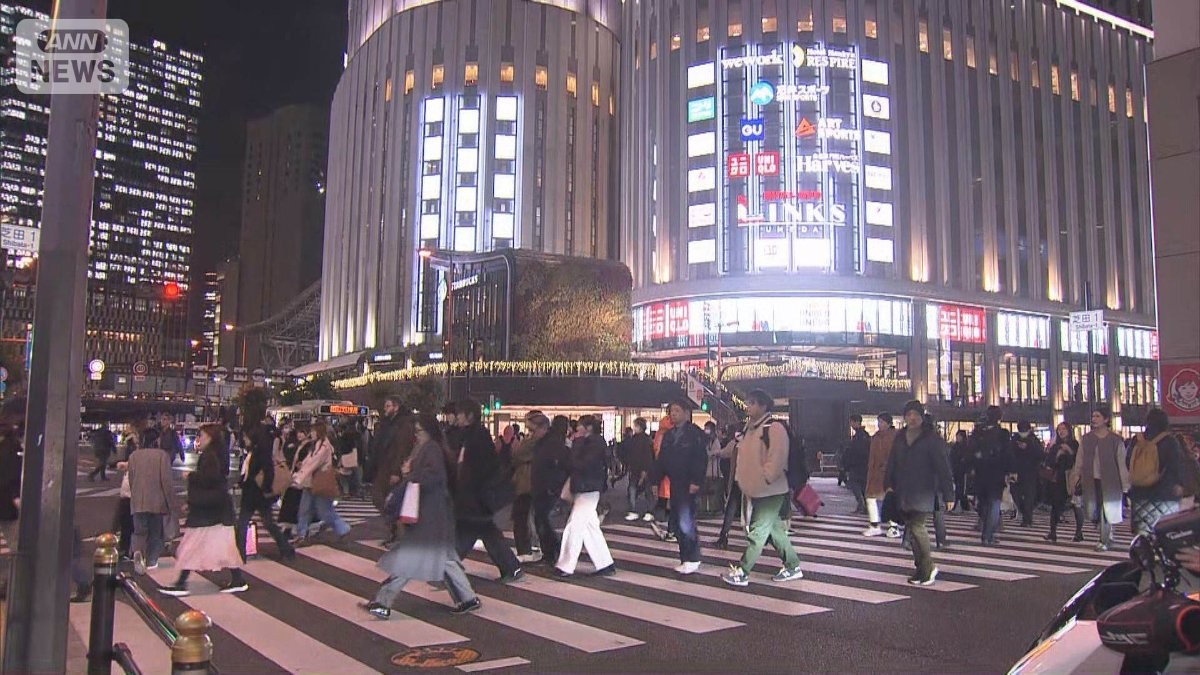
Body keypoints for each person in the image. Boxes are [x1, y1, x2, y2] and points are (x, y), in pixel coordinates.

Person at [363, 414, 481, 619]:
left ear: (428, 431)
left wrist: (410, 475)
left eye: (419, 431)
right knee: (445, 559)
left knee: (411, 558)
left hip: (429, 514)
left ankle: (382, 602)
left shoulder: (431, 449)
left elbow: (433, 477)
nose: (416, 435)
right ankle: (468, 598)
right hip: (434, 513)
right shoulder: (431, 448)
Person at [721, 389, 803, 588]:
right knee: (774, 531)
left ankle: (743, 571)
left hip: (771, 490)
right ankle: (793, 566)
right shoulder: (750, 429)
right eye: (748, 403)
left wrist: (765, 478)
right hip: (757, 488)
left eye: (752, 403)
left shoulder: (773, 428)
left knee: (757, 531)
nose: (748, 407)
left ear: (764, 406)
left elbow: (777, 458)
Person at [159, 425, 248, 595]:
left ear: (210, 437)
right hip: (215, 510)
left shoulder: (210, 456)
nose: (200, 438)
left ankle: (181, 584)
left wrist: (190, 476)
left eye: (202, 434)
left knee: (193, 546)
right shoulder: (215, 454)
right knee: (220, 547)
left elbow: (210, 480)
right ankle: (237, 579)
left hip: (209, 511)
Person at [451, 400, 522, 582]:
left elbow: (483, 468)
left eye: (459, 414)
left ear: (469, 416)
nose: (456, 417)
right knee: (483, 532)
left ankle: (448, 569)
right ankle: (511, 567)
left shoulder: (478, 436)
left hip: (476, 495)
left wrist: (472, 491)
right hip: (473, 496)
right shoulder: (467, 435)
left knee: (469, 532)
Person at [885, 400, 955, 586]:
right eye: (909, 415)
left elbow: (943, 467)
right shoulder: (900, 437)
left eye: (915, 414)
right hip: (903, 489)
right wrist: (889, 483)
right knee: (911, 529)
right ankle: (921, 567)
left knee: (916, 526)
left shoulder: (931, 438)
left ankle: (928, 567)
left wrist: (949, 494)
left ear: (922, 417)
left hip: (924, 489)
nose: (912, 418)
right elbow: (892, 461)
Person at [649, 400, 708, 575]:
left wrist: (696, 481)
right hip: (674, 482)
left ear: (686, 412)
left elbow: (700, 459)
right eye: (671, 411)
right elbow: (661, 461)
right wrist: (655, 480)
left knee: (685, 521)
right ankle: (686, 557)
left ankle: (693, 557)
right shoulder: (669, 435)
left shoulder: (694, 434)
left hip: (688, 483)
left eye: (676, 410)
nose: (673, 414)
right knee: (676, 520)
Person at [555, 415, 616, 578]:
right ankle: (605, 563)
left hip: (589, 488)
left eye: (580, 426)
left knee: (574, 525)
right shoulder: (593, 442)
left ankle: (565, 565)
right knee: (589, 527)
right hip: (587, 487)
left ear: (588, 428)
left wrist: (575, 443)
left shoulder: (593, 443)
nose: (577, 429)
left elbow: (580, 464)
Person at [1072, 407, 1129, 552]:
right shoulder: (1086, 439)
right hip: (1091, 480)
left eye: (1097, 416)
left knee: (1106, 509)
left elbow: (1121, 463)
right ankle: (1107, 534)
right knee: (1093, 510)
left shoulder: (1116, 440)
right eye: (1093, 416)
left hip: (1111, 481)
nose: (1094, 419)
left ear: (1106, 419)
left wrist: (1125, 485)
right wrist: (1075, 475)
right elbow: (1080, 460)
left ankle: (1104, 539)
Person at [235, 425, 295, 562]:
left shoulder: (260, 452)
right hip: (255, 494)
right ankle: (286, 549)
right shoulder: (255, 451)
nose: (244, 439)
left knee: (249, 523)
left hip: (256, 494)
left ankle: (240, 553)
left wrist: (265, 489)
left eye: (246, 437)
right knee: (266, 523)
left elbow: (268, 472)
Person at [1126, 408, 1185, 537]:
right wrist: (1179, 484)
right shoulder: (1170, 441)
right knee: (1167, 533)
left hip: (1140, 493)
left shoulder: (1137, 440)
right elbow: (1176, 464)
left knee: (1143, 536)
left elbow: (1128, 461)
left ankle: (1145, 556)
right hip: (1165, 493)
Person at [127, 425, 178, 575]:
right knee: (156, 533)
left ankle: (137, 551)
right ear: (157, 440)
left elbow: (131, 479)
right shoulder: (162, 456)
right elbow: (166, 481)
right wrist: (170, 502)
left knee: (138, 531)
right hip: (157, 501)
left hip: (138, 500)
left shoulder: (134, 456)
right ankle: (151, 561)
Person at [293, 420, 352, 546]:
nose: (311, 433)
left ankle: (343, 529)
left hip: (319, 482)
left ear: (318, 432)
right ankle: (301, 534)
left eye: (313, 431)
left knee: (324, 511)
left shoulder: (324, 446)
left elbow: (313, 463)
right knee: (305, 509)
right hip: (310, 482)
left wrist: (298, 477)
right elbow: (309, 462)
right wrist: (301, 469)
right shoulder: (316, 445)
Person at [968, 406, 1012, 546]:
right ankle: (987, 535)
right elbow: (1007, 454)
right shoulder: (1002, 434)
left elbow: (970, 452)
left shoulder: (978, 432)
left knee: (984, 503)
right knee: (994, 504)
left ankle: (985, 532)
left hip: (980, 473)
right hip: (996, 473)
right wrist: (1010, 471)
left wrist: (972, 467)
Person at [530, 415, 569, 564]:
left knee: (543, 521)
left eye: (533, 430)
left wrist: (553, 486)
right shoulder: (551, 442)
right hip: (544, 487)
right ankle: (551, 552)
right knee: (542, 521)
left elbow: (558, 466)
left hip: (547, 488)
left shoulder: (551, 443)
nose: (531, 434)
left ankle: (553, 551)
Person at [510, 413, 542, 563]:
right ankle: (532, 547)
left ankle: (526, 549)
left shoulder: (533, 441)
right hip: (528, 481)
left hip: (527, 482)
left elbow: (517, 456)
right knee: (528, 516)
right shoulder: (533, 440)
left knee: (521, 516)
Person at [1045, 422, 1084, 543]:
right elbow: (1049, 462)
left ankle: (1079, 532)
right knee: (1055, 505)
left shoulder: (1074, 444)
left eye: (1064, 429)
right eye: (1059, 429)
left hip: (1071, 476)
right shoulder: (1055, 446)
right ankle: (1052, 532)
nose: (1061, 432)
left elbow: (1078, 461)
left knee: (1076, 505)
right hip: (1058, 478)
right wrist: (1057, 455)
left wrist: (1069, 452)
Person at [863, 414, 900, 537]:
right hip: (875, 473)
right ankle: (875, 525)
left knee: (889, 499)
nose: (879, 424)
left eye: (882, 422)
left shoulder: (895, 437)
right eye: (878, 422)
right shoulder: (876, 437)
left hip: (890, 473)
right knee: (871, 498)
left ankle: (893, 527)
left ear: (889, 423)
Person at [620, 418, 656, 522]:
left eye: (635, 425)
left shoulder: (640, 440)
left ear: (639, 427)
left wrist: (644, 470)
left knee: (636, 490)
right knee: (642, 491)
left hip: (640, 469)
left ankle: (636, 510)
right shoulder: (645, 439)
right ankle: (645, 511)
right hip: (640, 469)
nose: (634, 428)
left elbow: (646, 457)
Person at [0, 424, 22, 596]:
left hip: (6, 503)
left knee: (13, 544)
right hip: (7, 504)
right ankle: (9, 581)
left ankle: (9, 581)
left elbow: (9, 478)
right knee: (13, 543)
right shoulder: (12, 450)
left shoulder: (7, 451)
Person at [365, 396, 405, 486]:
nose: (385, 408)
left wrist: (396, 471)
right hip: (382, 467)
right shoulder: (385, 424)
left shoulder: (401, 425)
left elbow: (401, 449)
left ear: (396, 407)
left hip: (390, 468)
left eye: (388, 406)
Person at [1011, 421, 1044, 527]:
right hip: (1017, 471)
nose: (1023, 433)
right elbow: (1010, 454)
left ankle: (1027, 518)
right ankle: (1024, 511)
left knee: (1030, 496)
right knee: (1015, 493)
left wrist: (1028, 447)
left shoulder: (1034, 440)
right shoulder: (1014, 439)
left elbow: (1040, 454)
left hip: (1031, 472)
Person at [843, 414, 871, 515]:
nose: (850, 424)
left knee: (854, 484)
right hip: (862, 465)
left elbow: (857, 451)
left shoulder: (860, 436)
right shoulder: (863, 435)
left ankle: (862, 505)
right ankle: (864, 506)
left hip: (858, 465)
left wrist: (849, 462)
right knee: (861, 486)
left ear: (856, 422)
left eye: (851, 422)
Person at [949, 430, 972, 512]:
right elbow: (951, 457)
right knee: (959, 488)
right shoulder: (955, 446)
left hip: (962, 471)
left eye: (959, 436)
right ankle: (963, 505)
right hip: (956, 470)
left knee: (960, 488)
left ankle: (959, 505)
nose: (957, 438)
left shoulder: (965, 447)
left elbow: (967, 458)